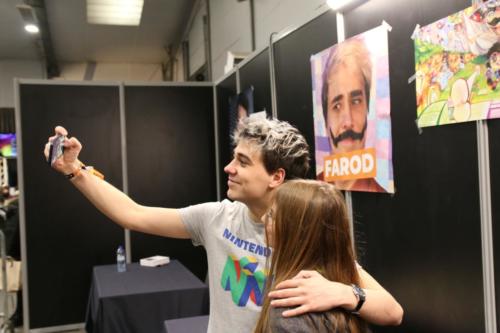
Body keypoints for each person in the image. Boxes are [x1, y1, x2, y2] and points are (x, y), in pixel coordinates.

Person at [45, 117, 402, 332]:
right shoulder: (217, 217)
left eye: (242, 162)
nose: (229, 168)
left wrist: (344, 293)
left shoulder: (303, 233)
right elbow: (132, 214)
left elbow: (392, 311)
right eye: (233, 157)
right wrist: (75, 171)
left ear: (276, 176)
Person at [255, 180, 372, 332]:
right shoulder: (343, 276)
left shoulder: (289, 305)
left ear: (296, 231)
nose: (263, 219)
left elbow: (393, 312)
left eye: (271, 215)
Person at [320, 38, 384, 192]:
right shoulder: (313, 193)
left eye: (356, 101)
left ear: (367, 109)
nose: (347, 121)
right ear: (325, 118)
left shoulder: (378, 193)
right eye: (336, 105)